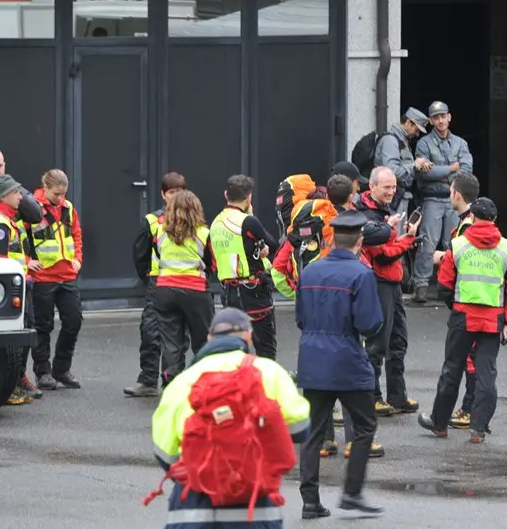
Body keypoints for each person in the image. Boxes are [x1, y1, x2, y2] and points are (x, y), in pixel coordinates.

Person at [151, 308, 310, 529]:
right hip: (254, 505)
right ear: (248, 335)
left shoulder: (182, 382)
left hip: (193, 509)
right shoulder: (269, 372)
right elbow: (301, 428)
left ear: (209, 338)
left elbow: (164, 454)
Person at [297, 210, 385, 519]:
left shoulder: (310, 271)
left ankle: (310, 500)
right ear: (360, 241)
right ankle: (351, 492)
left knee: (314, 431)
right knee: (364, 426)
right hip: (347, 359)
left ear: (333, 239)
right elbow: (370, 323)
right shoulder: (361, 274)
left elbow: (300, 318)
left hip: (312, 359)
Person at [418, 198, 507, 443]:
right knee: (486, 372)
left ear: (472, 218)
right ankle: (478, 428)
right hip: (493, 320)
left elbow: (444, 286)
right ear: (495, 220)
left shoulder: (458, 245)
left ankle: (440, 423)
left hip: (462, 317)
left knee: (452, 369)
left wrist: (455, 307)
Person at [356, 166, 421, 417]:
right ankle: (372, 397)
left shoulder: (383, 211)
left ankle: (397, 395)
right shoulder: (365, 216)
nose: (392, 192)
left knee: (398, 341)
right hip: (378, 283)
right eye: (387, 187)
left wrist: (403, 237)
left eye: (394, 187)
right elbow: (382, 256)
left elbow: (388, 248)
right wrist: (407, 239)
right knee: (377, 345)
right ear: (371, 187)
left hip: (392, 284)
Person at [126, 172, 189, 397]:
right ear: (163, 195)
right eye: (172, 192)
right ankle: (148, 380)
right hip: (158, 280)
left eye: (180, 192)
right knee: (150, 331)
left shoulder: (194, 219)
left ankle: (173, 382)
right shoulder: (152, 221)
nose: (176, 196)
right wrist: (149, 278)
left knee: (179, 335)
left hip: (185, 281)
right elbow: (140, 255)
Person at [0, 175, 35, 406]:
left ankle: (17, 381)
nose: (21, 196)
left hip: (17, 284)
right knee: (16, 338)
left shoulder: (7, 220)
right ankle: (10, 387)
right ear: (4, 196)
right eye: (16, 193)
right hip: (11, 289)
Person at [431, 173, 482, 430]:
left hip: (467, 302)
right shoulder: (471, 220)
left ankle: (469, 409)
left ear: (457, 195)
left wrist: (443, 257)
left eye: (451, 191)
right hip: (472, 301)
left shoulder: (468, 225)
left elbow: (466, 256)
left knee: (468, 359)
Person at [25, 169, 83, 391]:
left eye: (64, 194)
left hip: (67, 274)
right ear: (45, 187)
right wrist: (27, 261)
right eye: (56, 194)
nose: (61, 199)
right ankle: (43, 372)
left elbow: (76, 234)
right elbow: (21, 236)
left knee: (74, 320)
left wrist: (77, 258)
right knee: (43, 325)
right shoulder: (32, 209)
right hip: (43, 276)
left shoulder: (68, 208)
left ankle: (62, 369)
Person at [209, 175, 279, 360]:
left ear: (226, 195)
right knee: (265, 348)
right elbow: (273, 245)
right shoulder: (248, 221)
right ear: (249, 197)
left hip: (228, 292)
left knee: (234, 348)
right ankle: (264, 386)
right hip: (253, 291)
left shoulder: (215, 223)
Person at [412, 100, 474, 303]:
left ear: (449, 117)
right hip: (432, 198)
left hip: (455, 200)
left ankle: (450, 283)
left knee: (454, 243)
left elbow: (466, 171)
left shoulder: (460, 143)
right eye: (436, 117)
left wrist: (442, 173)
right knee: (427, 243)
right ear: (430, 121)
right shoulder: (424, 143)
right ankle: (420, 285)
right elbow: (425, 173)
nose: (440, 120)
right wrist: (450, 169)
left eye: (443, 116)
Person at [153, 190, 215, 383]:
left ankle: (171, 382)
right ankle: (203, 383)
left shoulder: (160, 232)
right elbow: (212, 263)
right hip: (195, 291)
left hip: (165, 291)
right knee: (203, 339)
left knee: (171, 342)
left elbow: (157, 254)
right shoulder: (203, 233)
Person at [373, 108, 432, 232]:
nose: (417, 134)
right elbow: (391, 172)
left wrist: (418, 168)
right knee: (394, 235)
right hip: (392, 198)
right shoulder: (391, 141)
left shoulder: (401, 141)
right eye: (417, 129)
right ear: (409, 123)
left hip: (399, 197)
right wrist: (414, 165)